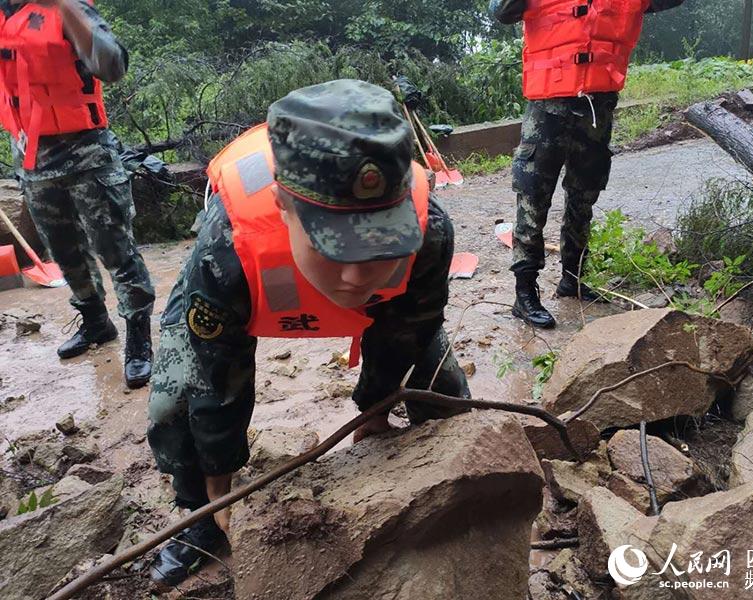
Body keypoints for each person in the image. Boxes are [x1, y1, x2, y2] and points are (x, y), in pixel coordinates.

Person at [146, 79, 470, 587]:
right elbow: (217, 375)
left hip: (388, 319)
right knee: (177, 402)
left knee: (441, 391)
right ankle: (194, 520)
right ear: (282, 205)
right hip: (251, 283)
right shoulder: (225, 249)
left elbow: (410, 331)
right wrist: (217, 484)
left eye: (382, 243)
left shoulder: (430, 234)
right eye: (337, 246)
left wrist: (377, 407)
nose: (360, 276)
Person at [491, 0, 685, 328]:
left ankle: (573, 280)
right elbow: (501, 11)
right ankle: (524, 295)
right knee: (532, 200)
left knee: (584, 199)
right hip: (547, 111)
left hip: (598, 109)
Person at [0, 0, 155, 387]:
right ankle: (96, 323)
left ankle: (139, 339)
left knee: (117, 251)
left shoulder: (67, 9)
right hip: (33, 157)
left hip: (89, 153)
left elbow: (112, 65)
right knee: (65, 254)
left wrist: (66, 7)